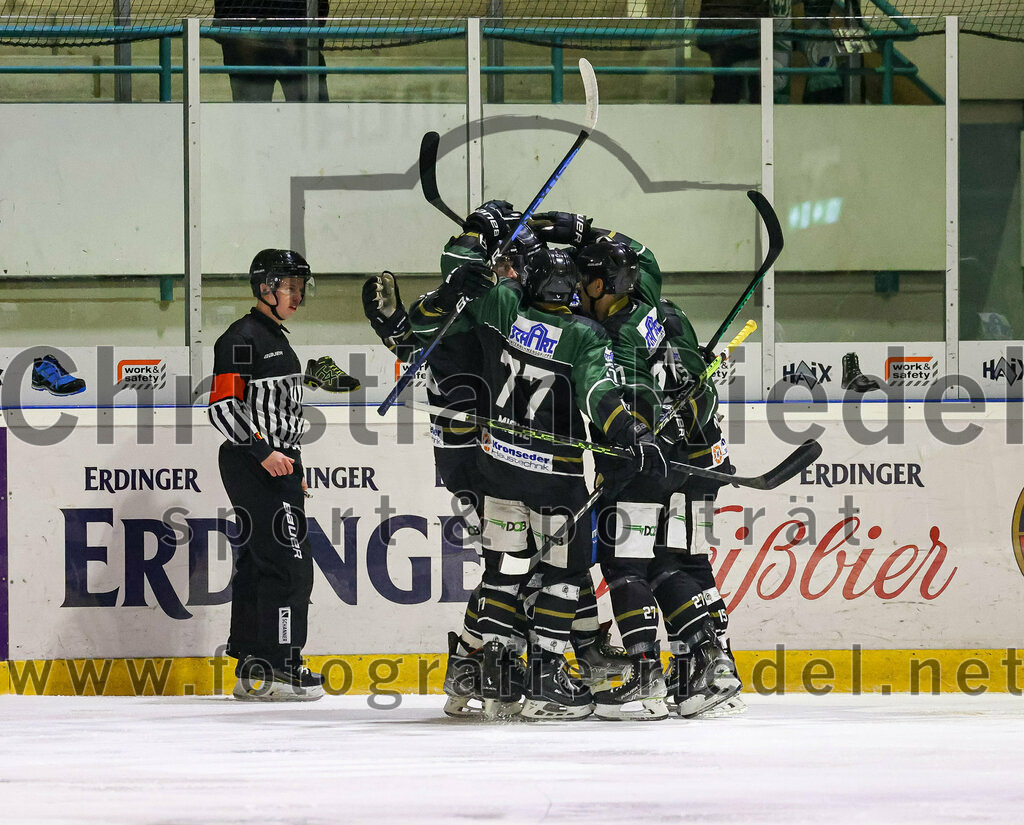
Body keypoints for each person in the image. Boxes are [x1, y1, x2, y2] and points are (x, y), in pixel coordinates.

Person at [208, 248, 324, 701]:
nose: (297, 295)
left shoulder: (277, 337)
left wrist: (294, 466)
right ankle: (281, 664)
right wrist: (263, 453)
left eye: (300, 287)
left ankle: (254, 664)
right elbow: (222, 407)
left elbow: (279, 415)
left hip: (276, 466)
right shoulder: (241, 338)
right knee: (289, 563)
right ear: (264, 288)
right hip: (252, 462)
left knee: (261, 562)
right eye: (289, 287)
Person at [213, 0, 330, 102]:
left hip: (297, 51)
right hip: (250, 54)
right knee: (249, 116)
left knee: (313, 115)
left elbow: (320, 7)